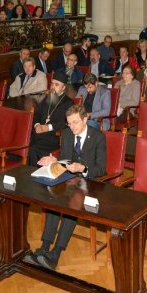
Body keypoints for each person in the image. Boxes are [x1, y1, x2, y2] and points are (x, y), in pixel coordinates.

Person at [25, 105, 107, 270]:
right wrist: (54, 161)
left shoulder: (98, 137)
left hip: (90, 181)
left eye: (75, 122)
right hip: (69, 179)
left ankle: (56, 252)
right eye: (69, 123)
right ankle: (45, 247)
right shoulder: (68, 133)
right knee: (54, 199)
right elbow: (64, 159)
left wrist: (82, 169)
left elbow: (101, 168)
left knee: (72, 203)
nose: (72, 127)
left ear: (85, 120)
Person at [27, 77, 76, 164]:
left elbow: (66, 123)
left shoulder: (68, 103)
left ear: (63, 87)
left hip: (53, 136)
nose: (53, 86)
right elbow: (36, 114)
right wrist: (37, 125)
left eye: (56, 85)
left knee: (32, 149)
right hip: (37, 133)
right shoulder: (46, 99)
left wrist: (48, 127)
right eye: (52, 83)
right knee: (21, 145)